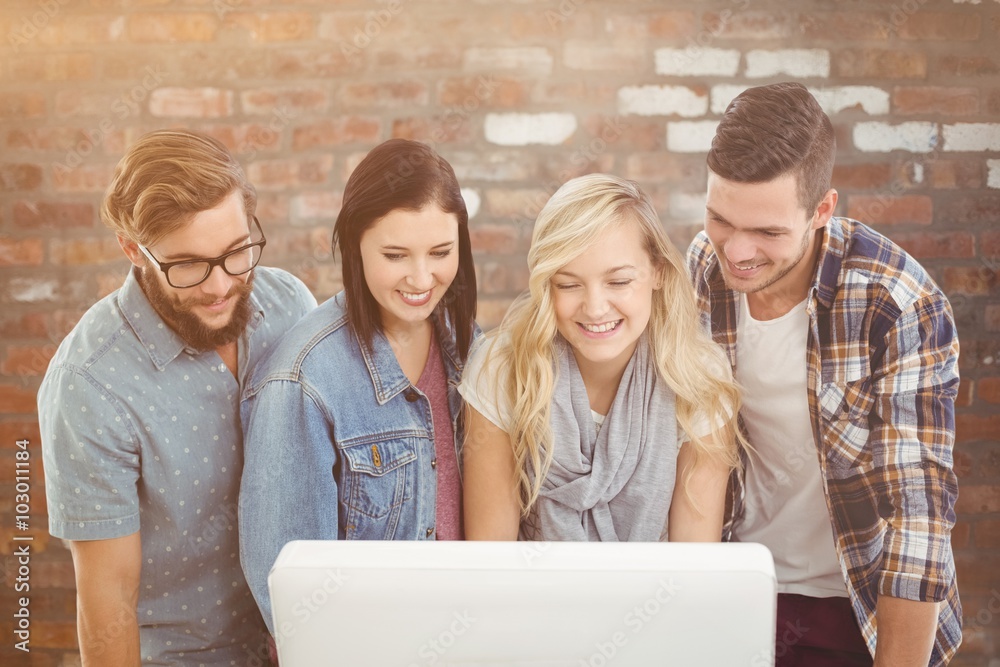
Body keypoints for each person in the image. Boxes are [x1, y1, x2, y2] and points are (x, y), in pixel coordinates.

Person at [687, 82, 962, 666]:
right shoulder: (701, 271)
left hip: (856, 610)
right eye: (719, 218)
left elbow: (918, 519)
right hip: (738, 594)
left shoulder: (897, 301)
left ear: (822, 212)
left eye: (767, 232)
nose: (735, 251)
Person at [38, 129, 317, 665]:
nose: (219, 287)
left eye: (237, 252)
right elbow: (108, 600)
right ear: (131, 249)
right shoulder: (89, 384)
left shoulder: (290, 307)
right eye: (187, 264)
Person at [239, 139, 479, 637]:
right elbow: (290, 600)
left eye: (440, 252)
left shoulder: (474, 351)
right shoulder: (303, 382)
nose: (421, 277)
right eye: (395, 255)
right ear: (355, 247)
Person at [461, 173, 742, 542]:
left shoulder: (698, 378)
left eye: (619, 281)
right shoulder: (499, 371)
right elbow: (491, 563)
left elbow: (692, 568)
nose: (594, 308)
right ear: (546, 285)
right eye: (568, 284)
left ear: (657, 271)